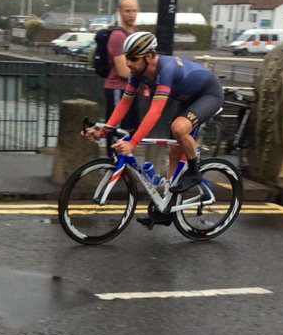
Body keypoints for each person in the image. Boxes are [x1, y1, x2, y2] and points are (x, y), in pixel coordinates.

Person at [85, 31, 224, 215]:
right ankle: (168, 205)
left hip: (209, 93)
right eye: (127, 58)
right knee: (174, 148)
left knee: (179, 128)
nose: (128, 64)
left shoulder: (166, 69)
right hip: (188, 98)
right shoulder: (137, 73)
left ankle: (194, 172)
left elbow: (155, 111)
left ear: (149, 57)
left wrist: (132, 143)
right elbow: (124, 103)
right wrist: (103, 131)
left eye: (133, 59)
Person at [103, 0, 140, 127]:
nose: (131, 14)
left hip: (131, 90)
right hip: (118, 89)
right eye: (127, 11)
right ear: (120, 12)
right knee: (116, 131)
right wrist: (144, 78)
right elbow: (123, 71)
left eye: (134, 11)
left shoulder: (136, 33)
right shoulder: (118, 36)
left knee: (130, 131)